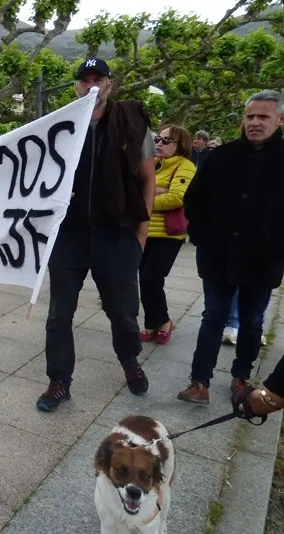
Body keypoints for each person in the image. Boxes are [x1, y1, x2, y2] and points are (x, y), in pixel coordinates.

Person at [38, 58, 157, 412]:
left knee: (122, 313)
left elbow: (147, 178)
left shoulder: (133, 121)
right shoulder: (62, 124)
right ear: (76, 86)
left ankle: (129, 360)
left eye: (98, 78)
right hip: (70, 235)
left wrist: (142, 232)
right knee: (59, 314)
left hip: (116, 235)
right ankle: (59, 382)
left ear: (109, 84)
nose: (91, 84)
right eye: (84, 79)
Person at [178, 90, 284, 405]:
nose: (254, 123)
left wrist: (277, 246)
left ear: (279, 120)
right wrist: (201, 236)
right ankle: (199, 382)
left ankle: (241, 379)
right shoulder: (221, 157)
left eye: (263, 117)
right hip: (218, 255)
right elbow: (194, 200)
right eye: (250, 116)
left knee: (252, 321)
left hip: (263, 260)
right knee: (213, 316)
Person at [138, 125, 196, 345]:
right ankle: (152, 322)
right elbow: (134, 187)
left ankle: (162, 321)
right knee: (144, 279)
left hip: (168, 234)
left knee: (152, 277)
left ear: (180, 145)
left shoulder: (185, 165)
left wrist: (148, 195)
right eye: (157, 139)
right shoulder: (152, 164)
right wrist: (157, 191)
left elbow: (177, 198)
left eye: (165, 140)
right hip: (145, 231)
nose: (159, 144)